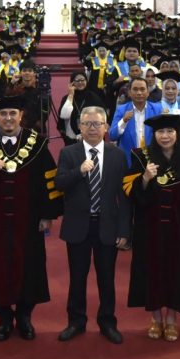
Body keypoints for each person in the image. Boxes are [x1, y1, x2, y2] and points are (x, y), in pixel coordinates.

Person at [0, 96, 61, 341]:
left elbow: (49, 180)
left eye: (12, 113)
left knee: (30, 267)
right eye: (3, 114)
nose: (8, 118)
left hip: (29, 222)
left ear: (21, 116)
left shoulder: (37, 144)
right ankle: (4, 318)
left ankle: (25, 317)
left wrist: (47, 215)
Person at [125, 114, 180, 342]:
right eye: (160, 132)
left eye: (170, 131)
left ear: (177, 134)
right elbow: (130, 192)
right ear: (154, 135)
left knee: (178, 274)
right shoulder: (141, 157)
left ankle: (172, 320)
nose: (165, 136)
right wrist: (145, 178)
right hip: (149, 229)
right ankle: (156, 319)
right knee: (152, 273)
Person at [54, 105, 131, 344]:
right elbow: (59, 183)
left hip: (107, 226)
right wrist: (79, 171)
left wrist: (124, 229)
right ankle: (76, 322)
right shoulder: (69, 153)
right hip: (78, 226)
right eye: (87, 124)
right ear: (80, 126)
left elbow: (124, 196)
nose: (92, 128)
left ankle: (107, 322)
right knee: (77, 278)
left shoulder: (117, 155)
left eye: (97, 124)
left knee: (106, 279)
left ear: (106, 127)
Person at [58, 71, 103, 146]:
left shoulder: (93, 97)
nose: (80, 82)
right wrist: (71, 95)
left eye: (82, 80)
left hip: (91, 135)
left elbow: (101, 116)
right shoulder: (67, 98)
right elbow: (64, 115)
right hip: (71, 137)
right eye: (77, 80)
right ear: (72, 83)